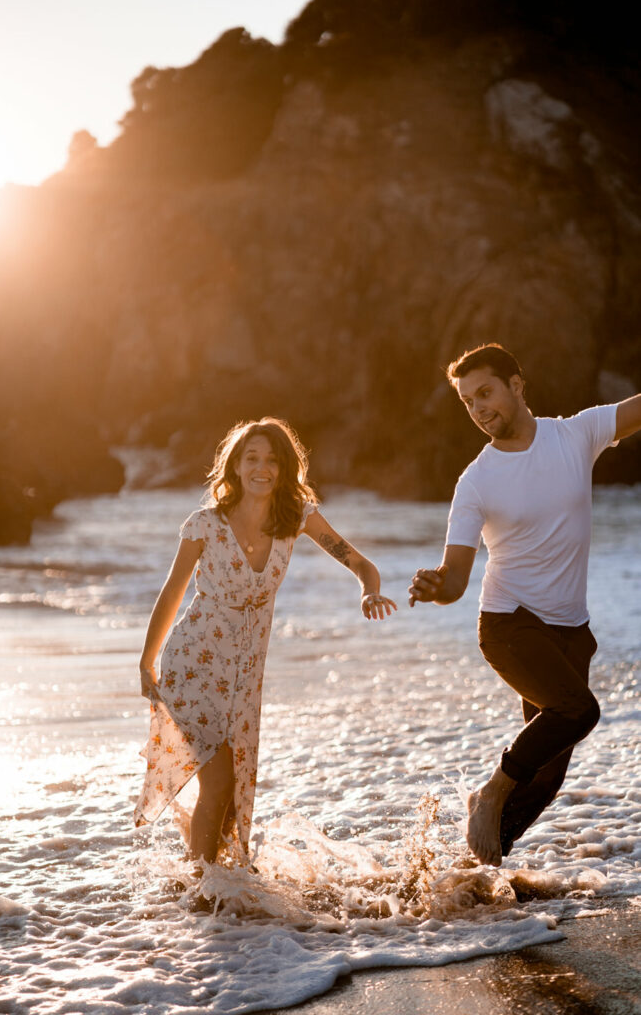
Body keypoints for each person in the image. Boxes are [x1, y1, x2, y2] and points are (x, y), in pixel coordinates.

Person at [408, 343, 641, 867]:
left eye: (485, 393)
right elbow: (456, 580)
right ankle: (488, 793)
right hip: (509, 624)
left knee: (547, 776)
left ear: (517, 385)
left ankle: (476, 874)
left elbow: (636, 409)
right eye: (468, 402)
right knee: (578, 710)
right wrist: (435, 585)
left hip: (570, 631)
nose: (478, 408)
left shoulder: (575, 434)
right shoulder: (476, 480)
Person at [134, 416, 396, 865]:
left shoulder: (295, 518)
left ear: (284, 468)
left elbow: (358, 561)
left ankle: (212, 883)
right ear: (234, 466)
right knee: (216, 785)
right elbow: (173, 591)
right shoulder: (205, 525)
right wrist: (147, 661)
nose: (262, 468)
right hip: (194, 663)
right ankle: (202, 891)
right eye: (251, 458)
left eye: (272, 460)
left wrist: (369, 590)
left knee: (233, 797)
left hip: (244, 675)